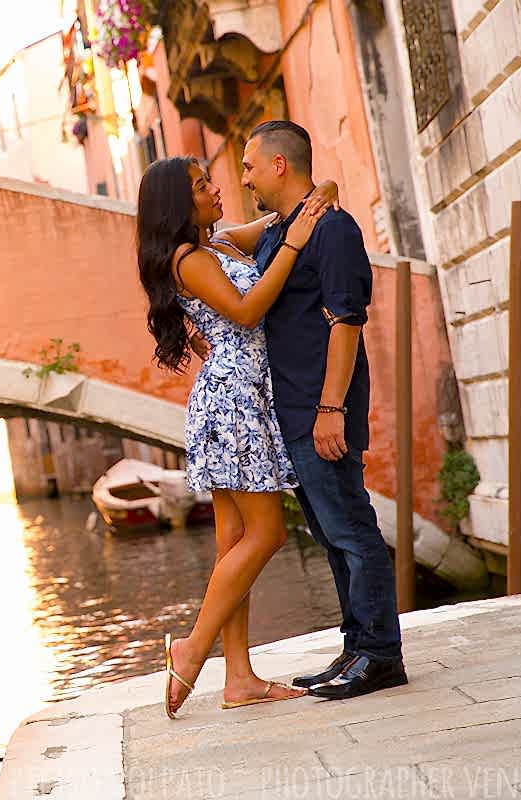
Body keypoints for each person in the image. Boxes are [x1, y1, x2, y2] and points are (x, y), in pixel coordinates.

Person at [138, 155, 332, 717]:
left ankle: (240, 678)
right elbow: (246, 312)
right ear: (180, 202)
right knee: (266, 534)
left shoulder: (217, 246)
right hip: (236, 400)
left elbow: (279, 219)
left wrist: (314, 204)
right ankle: (194, 649)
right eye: (202, 186)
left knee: (232, 544)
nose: (215, 189)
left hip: (240, 395)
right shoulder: (189, 259)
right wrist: (293, 245)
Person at [243, 120, 407, 699]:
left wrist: (331, 407)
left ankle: (382, 654)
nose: (245, 177)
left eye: (250, 166)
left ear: (279, 166)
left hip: (321, 409)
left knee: (352, 529)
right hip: (293, 411)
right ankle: (356, 648)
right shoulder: (282, 232)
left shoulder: (332, 231)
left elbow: (347, 321)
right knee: (329, 534)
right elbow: (224, 240)